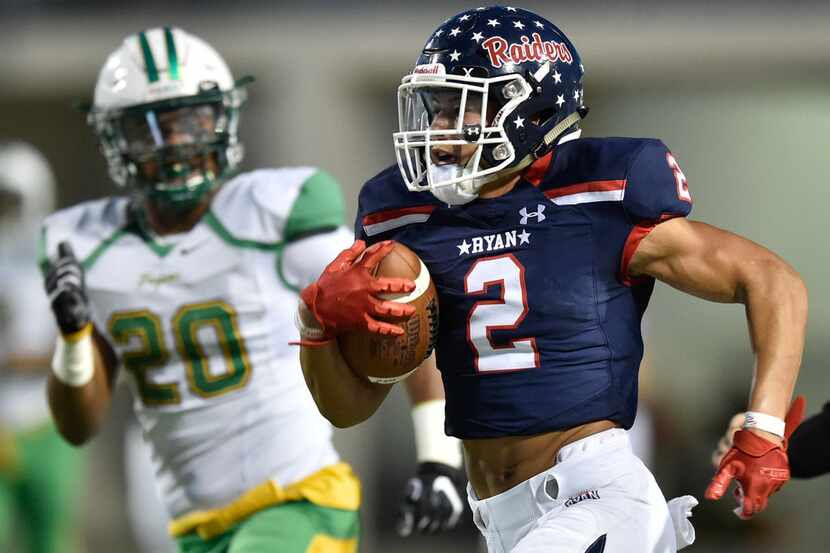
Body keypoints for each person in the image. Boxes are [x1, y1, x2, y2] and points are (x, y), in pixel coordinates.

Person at [295, 6, 808, 553]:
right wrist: (315, 323)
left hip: (592, 494)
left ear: (530, 109)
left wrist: (765, 423)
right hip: (496, 516)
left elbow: (771, 279)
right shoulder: (403, 217)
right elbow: (345, 411)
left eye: (459, 109)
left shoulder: (596, 195)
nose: (439, 130)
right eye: (435, 108)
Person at [39, 26, 462, 553]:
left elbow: (395, 309)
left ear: (222, 117)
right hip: (191, 525)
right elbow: (78, 425)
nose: (176, 142)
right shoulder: (87, 244)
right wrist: (74, 336)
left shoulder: (272, 209)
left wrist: (437, 456)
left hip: (297, 501)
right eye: (150, 127)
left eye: (189, 120)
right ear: (115, 137)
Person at [0, 141, 87, 553]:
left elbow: (80, 338)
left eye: (11, 199)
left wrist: (27, 360)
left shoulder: (59, 257)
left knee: (50, 537)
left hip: (44, 418)